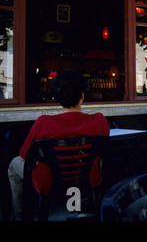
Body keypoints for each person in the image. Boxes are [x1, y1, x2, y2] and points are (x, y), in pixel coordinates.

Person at [8, 69, 110, 220]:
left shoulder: (43, 123)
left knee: (13, 165)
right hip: (86, 179)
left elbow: (24, 156)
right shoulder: (99, 120)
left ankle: (21, 216)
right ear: (82, 96)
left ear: (58, 98)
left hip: (50, 183)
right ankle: (75, 208)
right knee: (77, 166)